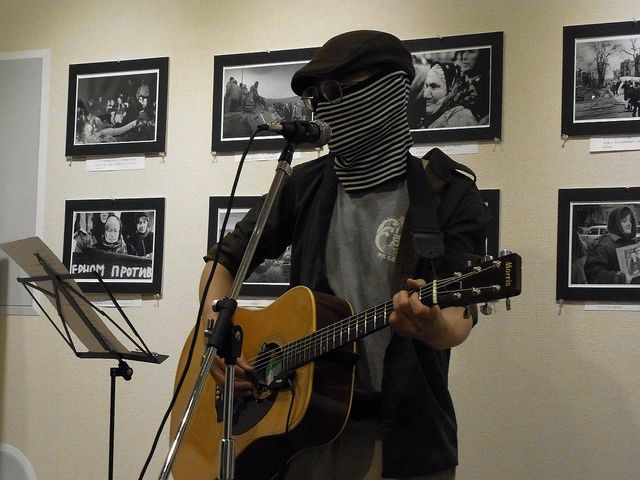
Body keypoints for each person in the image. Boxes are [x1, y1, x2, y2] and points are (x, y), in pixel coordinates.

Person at [204, 30, 490, 480]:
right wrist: (217, 342)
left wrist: (433, 327)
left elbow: (460, 316)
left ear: (390, 91)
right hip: (297, 432)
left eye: (337, 91)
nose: (324, 107)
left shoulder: (449, 194)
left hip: (404, 440)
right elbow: (223, 261)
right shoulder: (304, 185)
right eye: (316, 97)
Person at [584, 207, 638, 284]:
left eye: (630, 220)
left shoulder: (631, 242)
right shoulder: (603, 245)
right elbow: (593, 274)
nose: (629, 224)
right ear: (615, 224)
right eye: (624, 221)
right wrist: (620, 278)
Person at [419, 62, 478, 129]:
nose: (425, 95)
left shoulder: (462, 120)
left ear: (452, 89)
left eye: (434, 86)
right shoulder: (434, 117)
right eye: (426, 86)